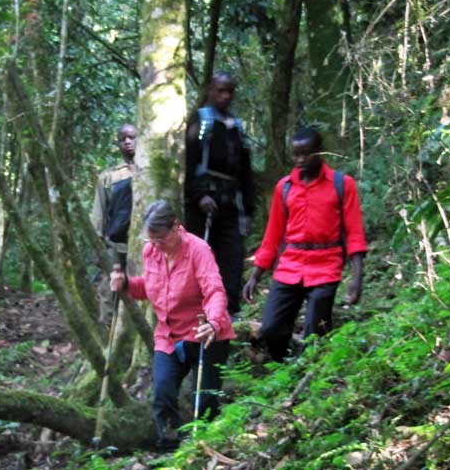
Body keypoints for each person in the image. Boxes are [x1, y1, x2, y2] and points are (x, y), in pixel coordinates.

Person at [110, 200, 234, 449]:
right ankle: (172, 451)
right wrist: (125, 284)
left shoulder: (199, 250)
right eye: (151, 239)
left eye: (161, 239)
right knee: (162, 396)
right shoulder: (151, 252)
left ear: (176, 227)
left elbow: (214, 289)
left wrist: (213, 321)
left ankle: (207, 448)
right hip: (168, 336)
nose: (156, 245)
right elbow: (150, 286)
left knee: (206, 401)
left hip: (204, 334)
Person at [242, 126, 367, 362]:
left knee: (315, 332)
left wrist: (356, 278)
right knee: (270, 328)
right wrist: (255, 276)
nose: (300, 160)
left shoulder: (342, 185)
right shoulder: (285, 187)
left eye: (305, 154)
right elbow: (272, 235)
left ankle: (310, 373)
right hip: (290, 266)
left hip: (326, 267)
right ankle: (284, 367)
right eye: (296, 154)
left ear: (319, 152)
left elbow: (354, 234)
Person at [184, 71, 254, 316]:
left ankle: (229, 315)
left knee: (233, 260)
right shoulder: (200, 121)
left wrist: (248, 210)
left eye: (229, 91)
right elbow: (188, 163)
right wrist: (198, 195)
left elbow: (245, 172)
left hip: (230, 205)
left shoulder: (237, 126)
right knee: (200, 260)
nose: (225, 96)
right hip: (202, 207)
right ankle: (196, 314)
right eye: (220, 91)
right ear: (211, 91)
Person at [91, 123, 138, 318]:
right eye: (122, 139)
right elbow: (99, 214)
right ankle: (109, 335)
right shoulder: (109, 177)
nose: (127, 142)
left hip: (145, 247)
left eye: (132, 137)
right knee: (108, 293)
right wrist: (98, 247)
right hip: (116, 246)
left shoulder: (151, 172)